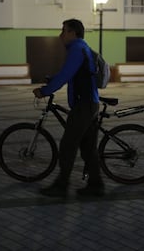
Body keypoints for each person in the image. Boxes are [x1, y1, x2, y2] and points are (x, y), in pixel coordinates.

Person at [33, 18, 104, 197]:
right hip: (90, 103)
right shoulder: (81, 48)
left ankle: (61, 185)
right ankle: (96, 185)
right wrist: (53, 78)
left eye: (64, 30)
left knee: (67, 145)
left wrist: (45, 91)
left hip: (84, 105)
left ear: (73, 33)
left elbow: (65, 75)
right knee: (88, 149)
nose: (61, 34)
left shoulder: (77, 49)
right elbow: (69, 73)